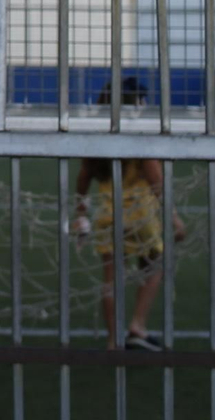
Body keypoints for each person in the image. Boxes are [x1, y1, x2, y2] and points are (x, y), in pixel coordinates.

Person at [72, 77, 187, 350]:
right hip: (139, 215)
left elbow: (83, 177)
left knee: (111, 280)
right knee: (154, 266)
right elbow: (156, 182)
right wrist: (174, 219)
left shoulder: (98, 136)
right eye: (142, 99)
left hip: (107, 215)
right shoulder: (139, 136)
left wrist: (81, 212)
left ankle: (114, 340)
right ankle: (137, 325)